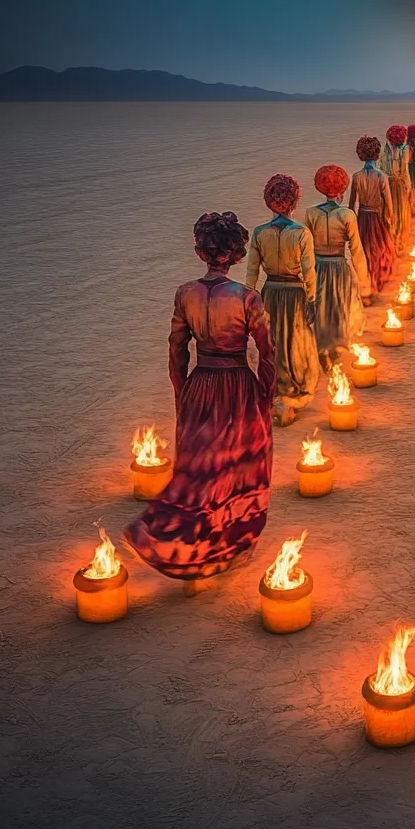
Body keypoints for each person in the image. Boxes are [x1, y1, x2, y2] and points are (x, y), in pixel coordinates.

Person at [125, 212, 274, 592]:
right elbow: (268, 352)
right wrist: (264, 394)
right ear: (237, 254)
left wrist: (181, 390)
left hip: (200, 383)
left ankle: (185, 539)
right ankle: (229, 544)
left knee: (198, 466)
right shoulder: (247, 298)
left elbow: (177, 349)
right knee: (236, 463)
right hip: (237, 384)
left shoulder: (184, 293)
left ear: (200, 252)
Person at [246, 173, 318, 425]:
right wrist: (313, 299)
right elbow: (309, 272)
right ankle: (291, 389)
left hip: (270, 292)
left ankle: (273, 388)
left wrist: (248, 302)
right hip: (295, 293)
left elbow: (251, 273)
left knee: (272, 342)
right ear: (294, 201)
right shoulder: (301, 233)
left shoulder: (259, 233)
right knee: (295, 341)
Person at [303, 164, 371, 369]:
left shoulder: (310, 213)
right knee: (339, 306)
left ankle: (322, 349)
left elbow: (306, 250)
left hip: (318, 266)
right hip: (339, 266)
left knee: (321, 308)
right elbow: (357, 250)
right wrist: (364, 282)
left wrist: (304, 275)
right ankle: (335, 350)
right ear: (342, 189)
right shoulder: (347, 214)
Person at [349, 135, 395, 295]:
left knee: (363, 250)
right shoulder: (381, 176)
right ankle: (377, 283)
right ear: (377, 154)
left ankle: (364, 284)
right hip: (376, 217)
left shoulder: (356, 176)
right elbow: (389, 205)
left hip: (361, 216)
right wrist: (389, 222)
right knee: (380, 249)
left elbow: (351, 205)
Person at [382, 124, 413, 257]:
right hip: (399, 185)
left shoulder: (386, 151)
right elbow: (405, 172)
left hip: (387, 184)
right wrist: (409, 187)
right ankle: (399, 242)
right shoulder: (404, 150)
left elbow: (381, 169)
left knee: (390, 212)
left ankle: (390, 240)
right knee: (401, 213)